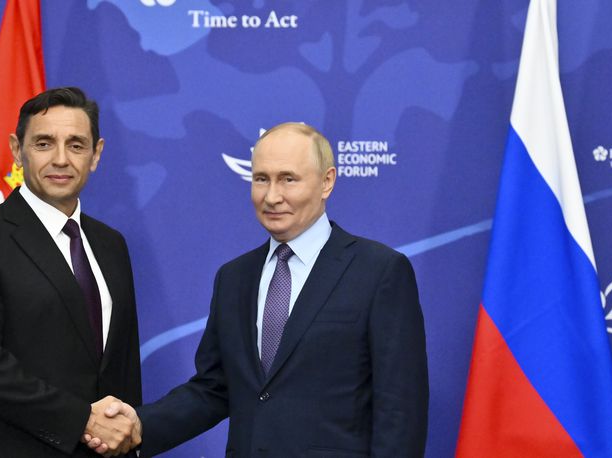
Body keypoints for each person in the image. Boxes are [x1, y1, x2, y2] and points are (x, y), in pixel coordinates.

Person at [89, 122, 429, 457]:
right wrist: (140, 424)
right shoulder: (234, 278)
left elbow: (400, 408)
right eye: (261, 179)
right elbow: (215, 388)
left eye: (288, 179)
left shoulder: (379, 271)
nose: (271, 196)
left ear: (327, 182)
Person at [0, 87, 142, 457]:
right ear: (17, 150)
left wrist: (125, 436)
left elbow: (122, 366)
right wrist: (82, 419)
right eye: (44, 143)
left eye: (77, 145)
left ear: (96, 154)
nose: (61, 159)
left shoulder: (111, 243)